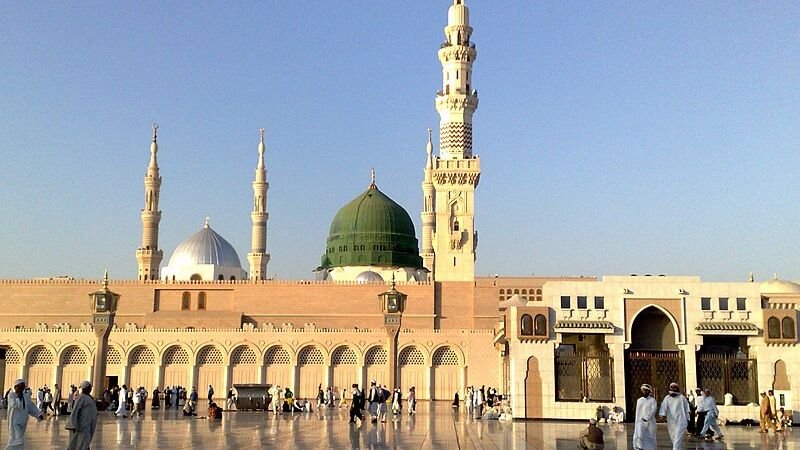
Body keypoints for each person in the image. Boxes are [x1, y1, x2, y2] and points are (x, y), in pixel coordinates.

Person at [5, 378, 43, 450]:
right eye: (20, 387)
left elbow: (31, 407)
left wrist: (38, 414)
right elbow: (14, 405)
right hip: (14, 422)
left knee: (16, 440)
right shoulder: (11, 395)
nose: (21, 389)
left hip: (23, 422)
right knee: (18, 440)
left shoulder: (25, 397)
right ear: (15, 387)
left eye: (23, 387)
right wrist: (18, 398)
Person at [66, 381, 97, 450]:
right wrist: (72, 424)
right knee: (80, 443)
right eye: (89, 388)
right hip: (82, 425)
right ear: (85, 388)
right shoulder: (81, 398)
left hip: (88, 424)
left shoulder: (88, 397)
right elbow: (75, 411)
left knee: (84, 442)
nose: (91, 389)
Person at [658, 382, 690, 450]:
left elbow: (687, 409)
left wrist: (688, 419)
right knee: (674, 439)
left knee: (677, 438)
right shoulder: (667, 398)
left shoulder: (682, 398)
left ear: (677, 388)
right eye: (671, 387)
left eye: (674, 387)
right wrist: (662, 415)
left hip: (681, 421)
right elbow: (663, 407)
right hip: (671, 421)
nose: (673, 389)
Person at [632, 384, 656, 450]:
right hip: (640, 422)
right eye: (643, 390)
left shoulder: (652, 400)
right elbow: (638, 412)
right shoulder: (639, 400)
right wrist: (638, 421)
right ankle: (639, 447)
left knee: (649, 437)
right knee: (639, 435)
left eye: (646, 391)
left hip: (649, 423)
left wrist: (646, 418)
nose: (644, 392)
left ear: (649, 391)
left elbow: (653, 411)